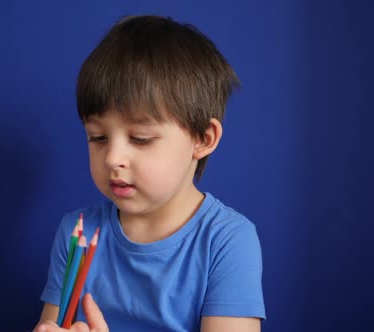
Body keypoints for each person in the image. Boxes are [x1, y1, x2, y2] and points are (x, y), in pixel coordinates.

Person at [34, 15, 265, 332]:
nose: (113, 157)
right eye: (98, 137)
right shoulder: (78, 232)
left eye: (140, 139)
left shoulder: (227, 240)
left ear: (202, 139)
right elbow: (52, 323)